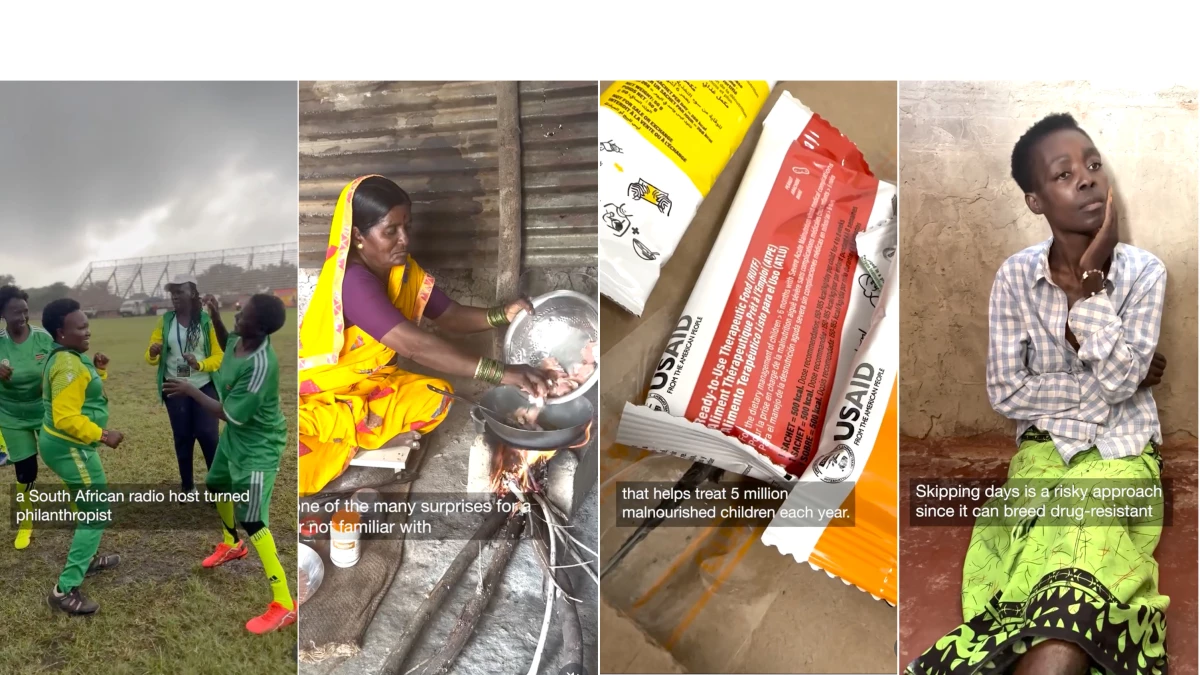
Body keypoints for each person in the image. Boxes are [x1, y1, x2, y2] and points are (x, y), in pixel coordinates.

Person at [908, 114, 1169, 675]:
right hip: (1043, 454)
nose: (1087, 179)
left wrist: (1096, 286)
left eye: (1094, 165)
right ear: (1035, 200)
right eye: (1064, 173)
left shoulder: (1145, 273)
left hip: (1121, 452)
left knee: (1081, 542)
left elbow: (1124, 385)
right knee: (1022, 551)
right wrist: (1108, 370)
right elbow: (1006, 391)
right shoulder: (1013, 278)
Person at [297, 175, 556, 495]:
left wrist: (503, 314)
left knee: (437, 396)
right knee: (299, 455)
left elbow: (449, 314)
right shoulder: (353, 283)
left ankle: (364, 434)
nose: (404, 239)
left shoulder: (403, 272)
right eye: (390, 231)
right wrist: (501, 373)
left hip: (371, 387)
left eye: (407, 227)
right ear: (358, 236)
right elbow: (416, 347)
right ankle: (365, 439)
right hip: (324, 395)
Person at [164, 293, 294, 634]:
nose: (238, 318)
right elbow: (227, 339)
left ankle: (284, 603)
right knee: (217, 485)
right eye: (239, 312)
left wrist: (190, 390)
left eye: (244, 316)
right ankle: (231, 544)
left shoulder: (262, 366)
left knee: (252, 518)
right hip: (237, 438)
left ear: (262, 328)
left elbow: (227, 412)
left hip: (259, 448)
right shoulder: (240, 337)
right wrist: (217, 316)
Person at [39, 298, 124, 615]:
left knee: (88, 507)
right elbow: (65, 417)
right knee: (97, 512)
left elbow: (83, 395)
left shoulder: (69, 356)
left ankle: (86, 559)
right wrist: (104, 435)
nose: (88, 331)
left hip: (67, 446)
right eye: (81, 327)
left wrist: (100, 369)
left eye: (88, 325)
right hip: (70, 447)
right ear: (61, 332)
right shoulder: (68, 365)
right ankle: (64, 590)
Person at [144, 274, 224, 492]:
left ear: (193, 293)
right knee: (182, 438)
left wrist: (199, 364)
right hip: (174, 386)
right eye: (173, 292)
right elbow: (151, 355)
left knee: (208, 436)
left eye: (180, 291)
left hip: (203, 385)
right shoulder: (165, 321)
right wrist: (153, 352)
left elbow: (219, 356)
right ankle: (187, 487)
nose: (175, 296)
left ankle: (216, 488)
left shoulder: (205, 321)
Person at [0, 285, 56, 549]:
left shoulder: (44, 338)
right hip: (11, 415)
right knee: (26, 471)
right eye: (15, 312)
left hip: (45, 411)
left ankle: (78, 508)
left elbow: (64, 362)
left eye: (25, 311)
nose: (21, 317)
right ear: (2, 313)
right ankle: (26, 521)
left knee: (61, 460)